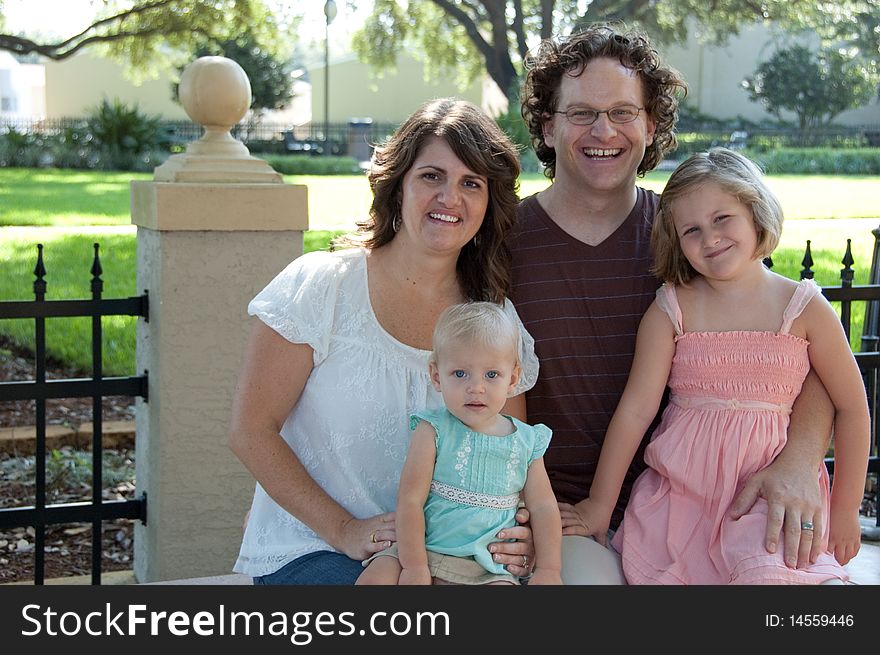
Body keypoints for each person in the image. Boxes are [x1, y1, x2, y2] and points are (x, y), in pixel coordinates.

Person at [508, 24, 837, 583]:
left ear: (651, 125)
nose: (603, 130)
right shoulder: (502, 241)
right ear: (548, 125)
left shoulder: (692, 236)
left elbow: (795, 355)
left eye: (623, 112)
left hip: (700, 513)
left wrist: (802, 458)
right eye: (582, 113)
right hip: (556, 512)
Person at [228, 98, 538, 584]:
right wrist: (343, 529)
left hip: (447, 558)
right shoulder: (322, 288)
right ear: (397, 188)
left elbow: (508, 454)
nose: (449, 198)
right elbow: (251, 430)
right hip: (314, 547)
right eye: (432, 176)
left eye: (470, 183)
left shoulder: (493, 320)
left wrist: (518, 532)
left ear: (488, 204)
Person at [576, 147, 870, 584]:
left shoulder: (803, 308)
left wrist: (846, 510)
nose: (710, 238)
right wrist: (600, 505)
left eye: (722, 219)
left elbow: (852, 407)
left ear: (755, 212)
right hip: (679, 500)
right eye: (691, 230)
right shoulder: (671, 310)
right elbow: (635, 411)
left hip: (764, 502)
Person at [356, 302, 562, 585]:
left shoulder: (527, 441)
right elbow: (410, 500)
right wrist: (414, 566)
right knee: (375, 579)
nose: (476, 387)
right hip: (420, 548)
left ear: (512, 378)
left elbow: (543, 508)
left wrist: (549, 570)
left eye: (491, 375)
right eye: (460, 373)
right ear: (437, 376)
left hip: (486, 565)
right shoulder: (432, 430)